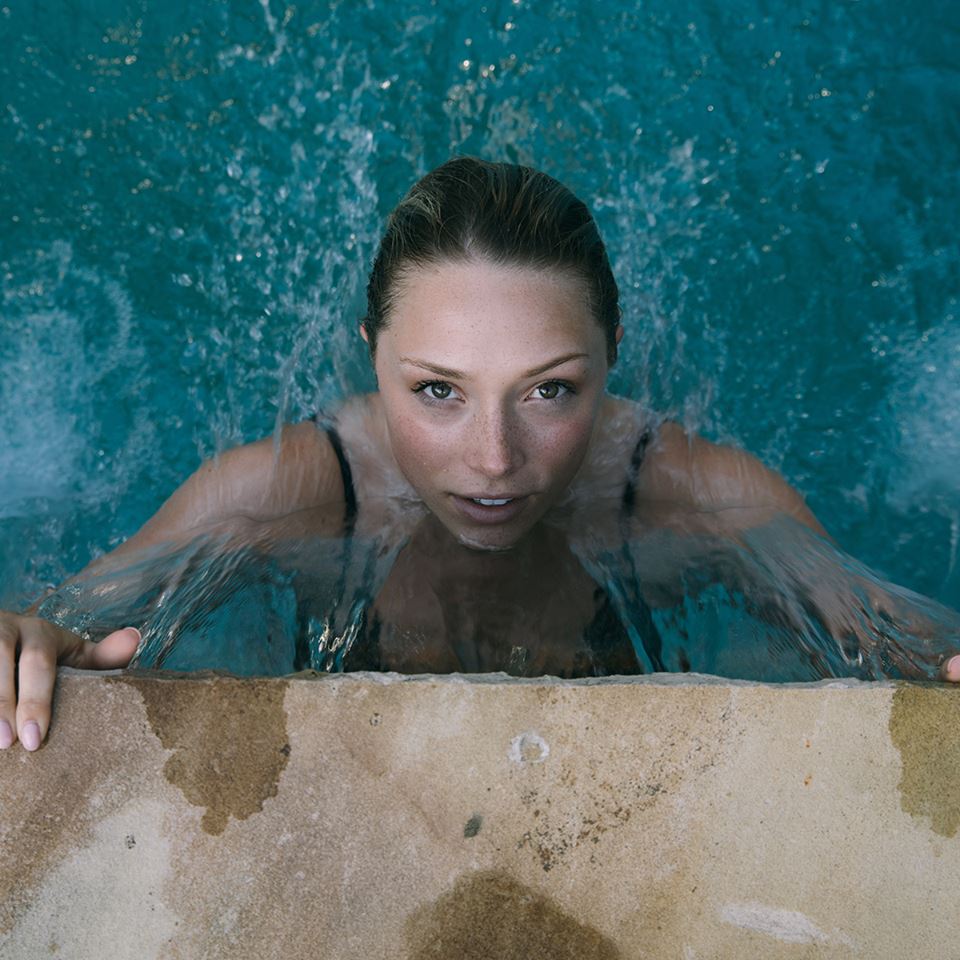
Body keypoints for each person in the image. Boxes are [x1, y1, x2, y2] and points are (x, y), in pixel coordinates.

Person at [2, 156, 958, 753]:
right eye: (437, 392)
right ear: (370, 349)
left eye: (550, 390)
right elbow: (60, 623)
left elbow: (895, 638)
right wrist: (25, 640)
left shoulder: (694, 497)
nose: (495, 459)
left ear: (613, 354)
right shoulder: (285, 494)